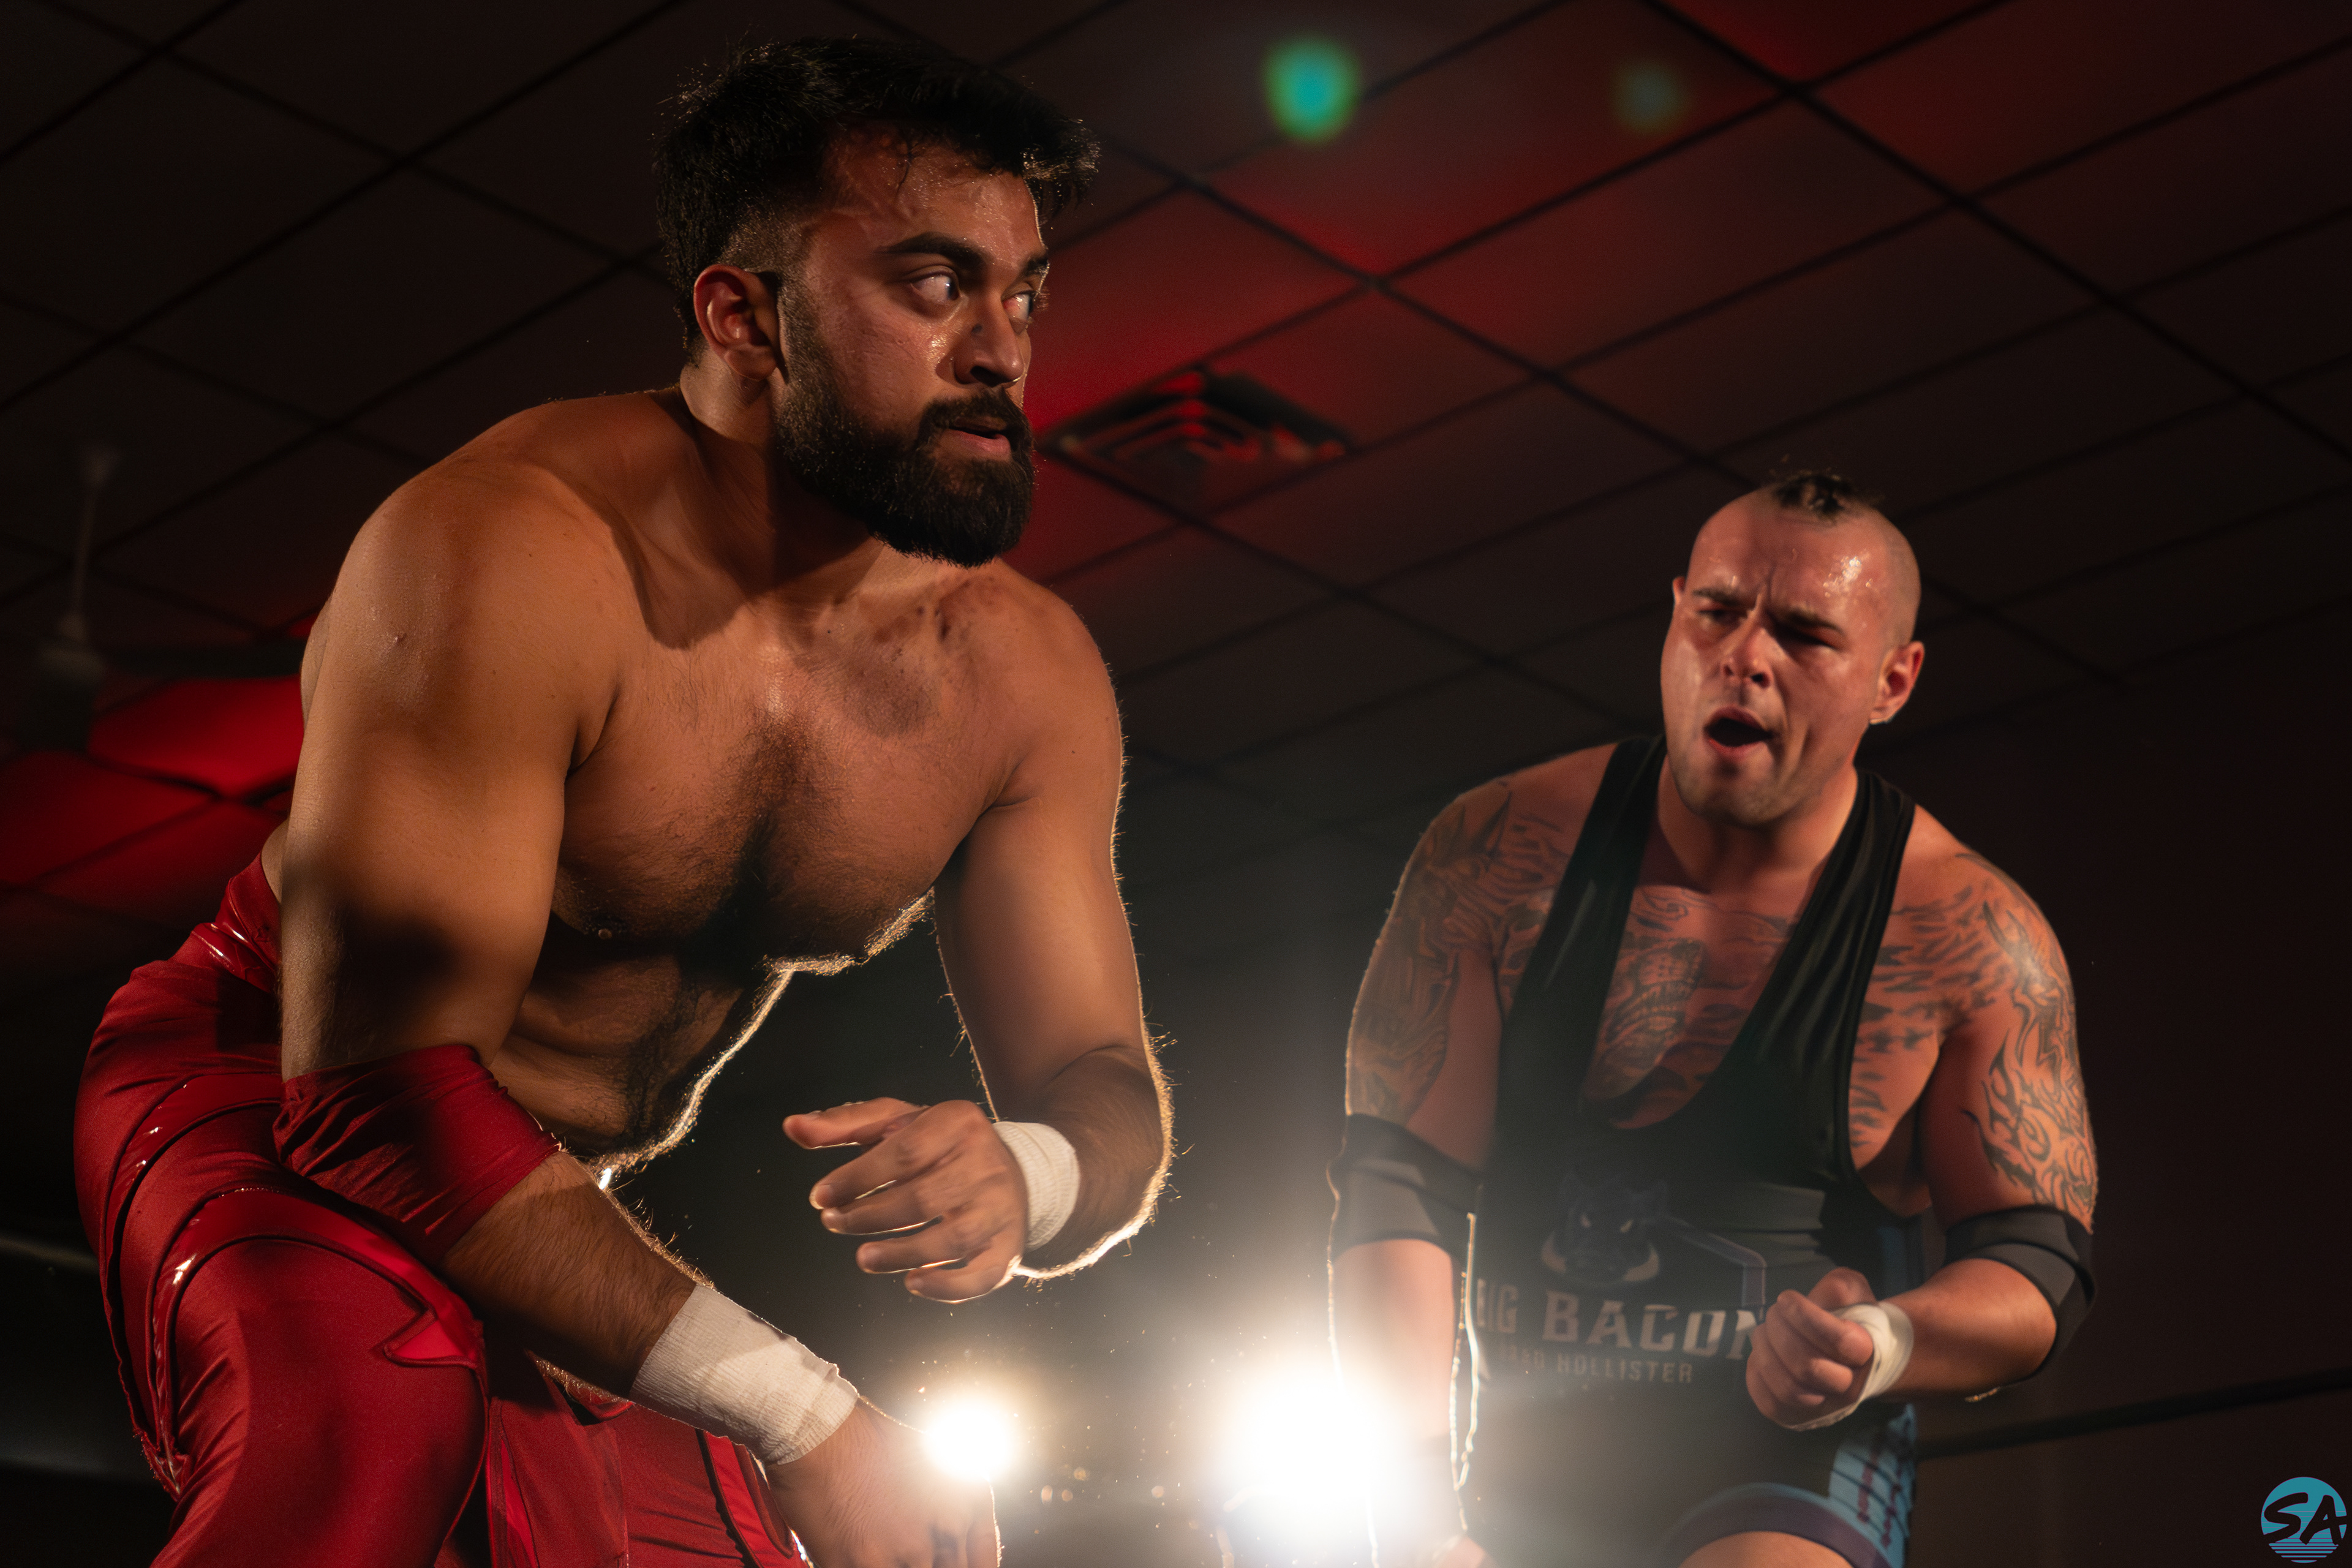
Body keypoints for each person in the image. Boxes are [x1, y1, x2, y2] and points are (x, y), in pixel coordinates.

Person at [74, 37, 1170, 1568]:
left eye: (1025, 293)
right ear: (743, 316)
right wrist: (805, 1411)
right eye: (935, 284)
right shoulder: (505, 550)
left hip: (548, 1199)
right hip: (275, 1089)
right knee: (376, 1442)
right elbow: (374, 1098)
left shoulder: (1021, 674)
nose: (1001, 348)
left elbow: (1105, 1086)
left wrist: (1031, 1169)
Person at [1326, 473, 2098, 1568]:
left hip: (1784, 1465)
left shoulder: (1965, 932)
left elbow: (2037, 1265)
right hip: (1529, 1459)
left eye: (1805, 634)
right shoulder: (1500, 853)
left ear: (1893, 680)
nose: (1745, 657)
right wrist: (1411, 1530)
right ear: (1673, 614)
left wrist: (1882, 1342)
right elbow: (1399, 1188)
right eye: (1718, 612)